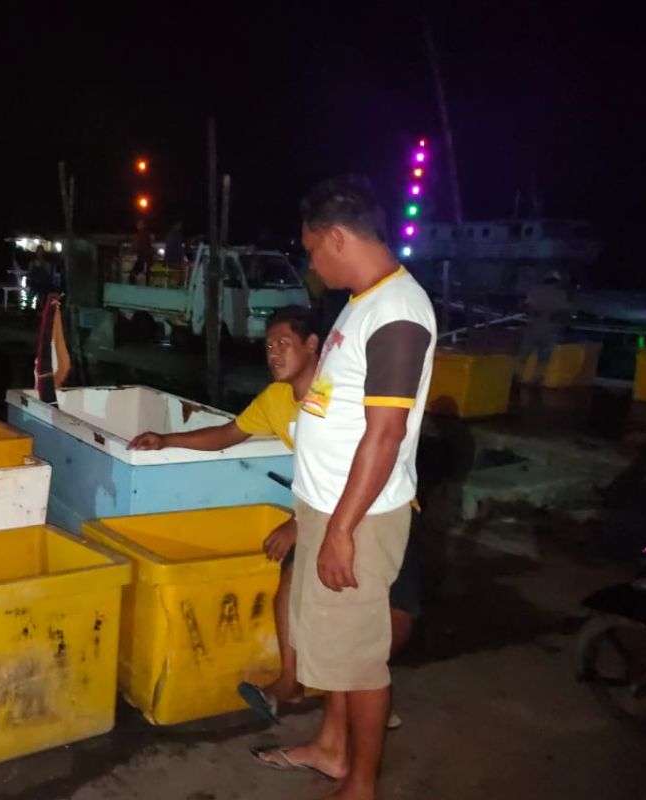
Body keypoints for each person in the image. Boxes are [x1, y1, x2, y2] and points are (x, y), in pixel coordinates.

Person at [128, 305, 419, 727]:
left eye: (284, 343)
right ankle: (294, 681)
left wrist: (299, 524)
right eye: (268, 345)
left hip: (381, 511)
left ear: (312, 345)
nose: (273, 353)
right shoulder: (277, 399)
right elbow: (228, 434)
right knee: (293, 582)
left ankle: (361, 686)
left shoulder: (343, 393)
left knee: (397, 614)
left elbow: (365, 464)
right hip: (324, 516)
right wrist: (166, 439)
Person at [252, 176, 435, 800]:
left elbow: (384, 435)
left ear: (336, 238)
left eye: (312, 249)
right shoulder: (363, 302)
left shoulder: (398, 314)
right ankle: (332, 749)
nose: (310, 262)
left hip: (357, 518)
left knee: (360, 661)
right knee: (331, 643)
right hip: (325, 506)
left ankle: (361, 784)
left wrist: (339, 531)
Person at [517, 270, 571, 388]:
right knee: (544, 357)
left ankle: (517, 377)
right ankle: (536, 379)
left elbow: (526, 307)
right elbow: (565, 313)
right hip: (550, 328)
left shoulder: (535, 291)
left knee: (523, 355)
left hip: (533, 325)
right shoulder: (561, 294)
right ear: (557, 282)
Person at [28, 245, 52, 310]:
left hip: (43, 285)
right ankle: (30, 311)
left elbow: (49, 275)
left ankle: (40, 310)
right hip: (34, 284)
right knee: (29, 300)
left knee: (41, 301)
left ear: (43, 253)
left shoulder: (46, 264)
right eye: (39, 252)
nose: (40, 254)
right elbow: (29, 274)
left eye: (41, 252)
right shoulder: (32, 263)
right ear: (36, 252)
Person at [131, 218, 152, 283]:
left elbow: (136, 245)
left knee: (133, 274)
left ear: (142, 225)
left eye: (139, 224)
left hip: (142, 258)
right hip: (146, 258)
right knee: (145, 276)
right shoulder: (146, 233)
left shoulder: (140, 234)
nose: (137, 225)